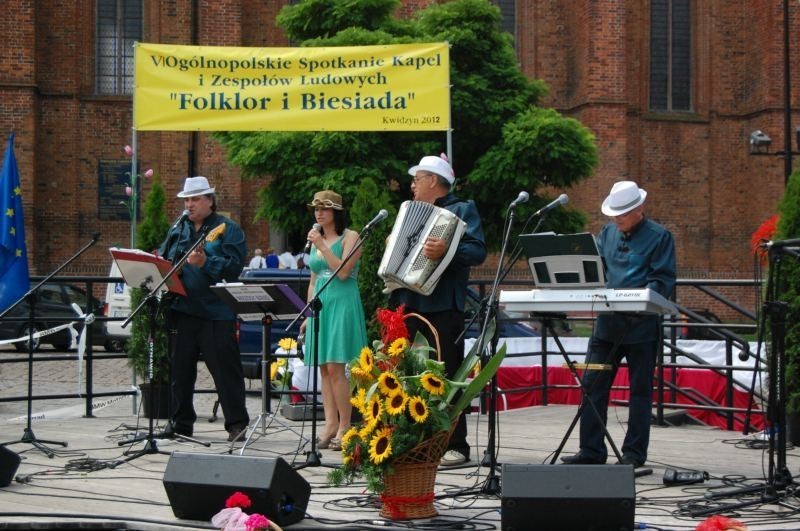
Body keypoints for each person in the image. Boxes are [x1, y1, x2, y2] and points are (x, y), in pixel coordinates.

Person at [561, 180, 676, 467]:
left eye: (622, 213)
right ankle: (591, 450)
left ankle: (634, 456)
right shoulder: (607, 233)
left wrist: (638, 300)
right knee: (592, 385)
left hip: (641, 327)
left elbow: (662, 281)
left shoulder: (660, 237)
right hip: (607, 325)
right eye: (614, 213)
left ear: (639, 209)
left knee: (639, 392)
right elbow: (595, 270)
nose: (617, 218)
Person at [388, 154, 487, 467]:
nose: (413, 185)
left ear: (432, 180)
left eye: (417, 179)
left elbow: (477, 251)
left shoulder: (461, 209)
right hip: (408, 300)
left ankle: (455, 444)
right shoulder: (408, 211)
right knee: (408, 374)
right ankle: (413, 439)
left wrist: (448, 249)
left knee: (447, 373)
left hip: (443, 303)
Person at [158, 176, 250, 442]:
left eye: (195, 199)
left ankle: (236, 424)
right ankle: (181, 423)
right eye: (187, 199)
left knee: (225, 371)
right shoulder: (179, 227)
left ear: (210, 201)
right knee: (180, 372)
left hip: (215, 312)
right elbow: (166, 257)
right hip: (182, 309)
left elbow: (233, 268)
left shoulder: (227, 229)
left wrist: (206, 263)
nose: (189, 204)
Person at [299, 190, 368, 451]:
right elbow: (314, 279)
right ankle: (329, 423)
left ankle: (345, 425)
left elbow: (342, 272)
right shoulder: (320, 241)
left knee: (338, 367)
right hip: (322, 304)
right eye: (316, 208)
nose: (319, 213)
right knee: (324, 367)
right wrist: (308, 313)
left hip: (342, 300)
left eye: (325, 209)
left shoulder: (351, 237)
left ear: (336, 212)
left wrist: (321, 245)